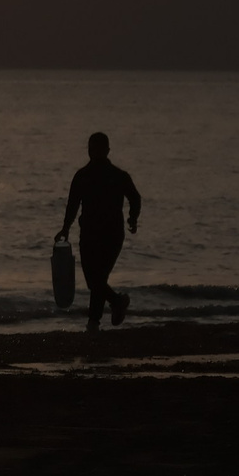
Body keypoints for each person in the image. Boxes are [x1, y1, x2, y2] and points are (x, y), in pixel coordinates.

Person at [59, 131, 143, 330]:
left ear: (106, 150)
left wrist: (132, 217)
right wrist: (65, 229)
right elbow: (72, 205)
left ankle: (94, 322)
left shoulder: (118, 176)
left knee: (98, 279)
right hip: (88, 234)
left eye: (96, 148)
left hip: (112, 235)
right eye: (91, 148)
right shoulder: (82, 176)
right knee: (93, 280)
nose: (93, 152)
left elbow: (135, 198)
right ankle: (116, 302)